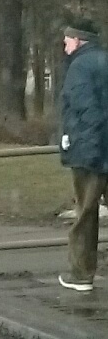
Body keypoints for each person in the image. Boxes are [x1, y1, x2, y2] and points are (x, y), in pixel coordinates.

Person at [58, 18, 108, 292]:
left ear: (78, 40)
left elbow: (86, 111)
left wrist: (81, 146)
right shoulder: (104, 60)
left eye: (67, 40)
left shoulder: (79, 67)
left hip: (91, 153)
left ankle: (81, 274)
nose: (65, 45)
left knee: (86, 215)